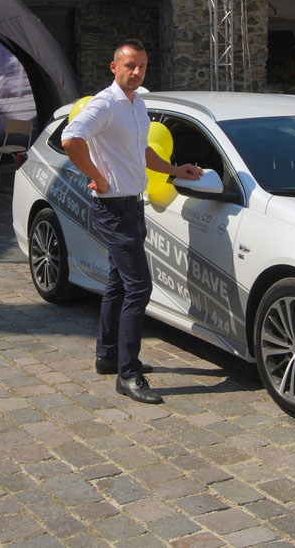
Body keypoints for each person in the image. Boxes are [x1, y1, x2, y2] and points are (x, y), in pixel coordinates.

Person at [62, 39, 202, 404]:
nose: (136, 72)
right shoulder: (105, 103)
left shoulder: (137, 103)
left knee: (118, 282)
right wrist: (97, 175)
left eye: (141, 66)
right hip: (112, 209)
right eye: (130, 66)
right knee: (139, 287)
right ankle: (128, 373)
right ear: (114, 67)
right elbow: (71, 138)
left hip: (132, 207)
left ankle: (108, 356)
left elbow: (142, 151)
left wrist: (175, 170)